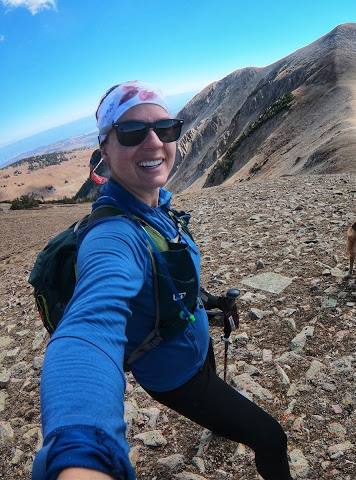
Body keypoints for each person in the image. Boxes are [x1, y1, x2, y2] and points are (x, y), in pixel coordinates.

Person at [33, 81, 294, 480]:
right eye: (133, 132)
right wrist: (80, 456)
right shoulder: (112, 236)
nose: (154, 142)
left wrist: (205, 300)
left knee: (224, 410)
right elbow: (88, 330)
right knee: (272, 438)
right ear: (104, 148)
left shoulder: (157, 206)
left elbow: (166, 278)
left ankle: (221, 424)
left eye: (165, 128)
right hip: (175, 377)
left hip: (193, 343)